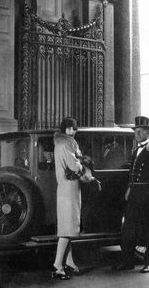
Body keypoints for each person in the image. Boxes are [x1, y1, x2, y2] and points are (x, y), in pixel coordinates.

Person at [114, 116, 149, 274]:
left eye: (140, 131)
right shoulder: (135, 151)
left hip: (147, 196)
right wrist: (129, 189)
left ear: (147, 132)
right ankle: (128, 261)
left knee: (147, 229)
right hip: (134, 195)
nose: (137, 134)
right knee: (128, 229)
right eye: (135, 132)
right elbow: (132, 175)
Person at [52, 117, 83, 280]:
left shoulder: (60, 143)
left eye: (74, 129)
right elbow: (74, 165)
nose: (74, 131)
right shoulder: (68, 143)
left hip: (64, 188)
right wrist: (85, 170)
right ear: (66, 130)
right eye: (72, 129)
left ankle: (69, 263)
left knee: (68, 228)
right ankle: (58, 266)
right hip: (69, 189)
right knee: (66, 230)